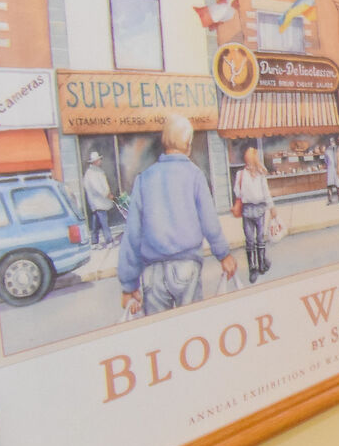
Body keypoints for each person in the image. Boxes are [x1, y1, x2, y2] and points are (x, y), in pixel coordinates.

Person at [116, 114, 236, 316]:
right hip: (187, 266)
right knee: (191, 326)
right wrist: (223, 255)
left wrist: (129, 286)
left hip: (152, 272)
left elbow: (132, 233)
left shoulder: (144, 179)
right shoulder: (195, 175)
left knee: (159, 329)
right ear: (188, 144)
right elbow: (209, 222)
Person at [234, 145, 274, 282]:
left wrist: (271, 207)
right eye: (248, 159)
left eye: (251, 159)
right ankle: (253, 268)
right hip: (247, 209)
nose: (250, 162)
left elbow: (266, 191)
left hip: (260, 209)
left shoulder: (261, 174)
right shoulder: (240, 175)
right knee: (250, 240)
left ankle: (261, 264)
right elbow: (237, 192)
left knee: (260, 238)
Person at [82, 151, 115, 247]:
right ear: (95, 161)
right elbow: (97, 187)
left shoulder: (95, 171)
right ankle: (109, 240)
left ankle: (94, 241)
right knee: (104, 221)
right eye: (99, 160)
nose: (100, 161)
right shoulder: (92, 173)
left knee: (96, 221)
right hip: (99, 200)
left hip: (98, 201)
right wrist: (106, 194)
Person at [324, 138, 339, 206]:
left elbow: (326, 160)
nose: (332, 142)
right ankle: (333, 199)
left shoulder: (335, 149)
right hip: (333, 169)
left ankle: (338, 199)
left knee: (336, 185)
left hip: (334, 169)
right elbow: (326, 160)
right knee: (333, 185)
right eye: (332, 141)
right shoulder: (331, 150)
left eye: (332, 141)